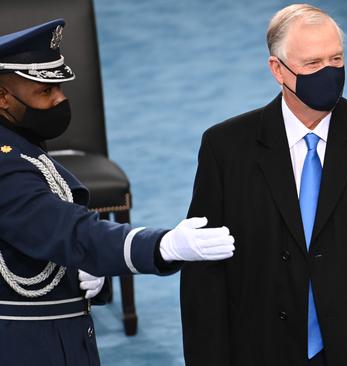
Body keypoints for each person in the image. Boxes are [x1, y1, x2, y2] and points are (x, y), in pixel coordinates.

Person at [180, 4, 347, 366]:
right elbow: (204, 277)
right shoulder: (226, 149)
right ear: (277, 70)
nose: (329, 73)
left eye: (336, 59)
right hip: (263, 349)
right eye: (313, 64)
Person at [0, 20, 235, 365]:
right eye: (45, 92)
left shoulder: (21, 148)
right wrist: (161, 245)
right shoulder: (6, 168)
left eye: (60, 87)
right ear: (3, 97)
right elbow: (68, 230)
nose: (61, 99)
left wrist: (83, 268)